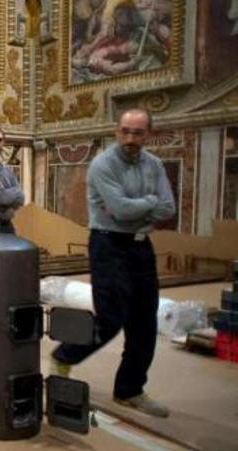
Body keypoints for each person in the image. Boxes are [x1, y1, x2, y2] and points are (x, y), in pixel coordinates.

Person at [50, 108, 175, 418]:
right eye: (125, 131)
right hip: (108, 246)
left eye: (137, 133)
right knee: (111, 318)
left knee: (145, 323)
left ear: (148, 134)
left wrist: (138, 210)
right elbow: (120, 210)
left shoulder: (155, 165)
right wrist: (148, 205)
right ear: (117, 131)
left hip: (141, 248)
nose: (130, 138)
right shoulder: (103, 164)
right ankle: (64, 356)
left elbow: (169, 207)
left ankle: (130, 390)